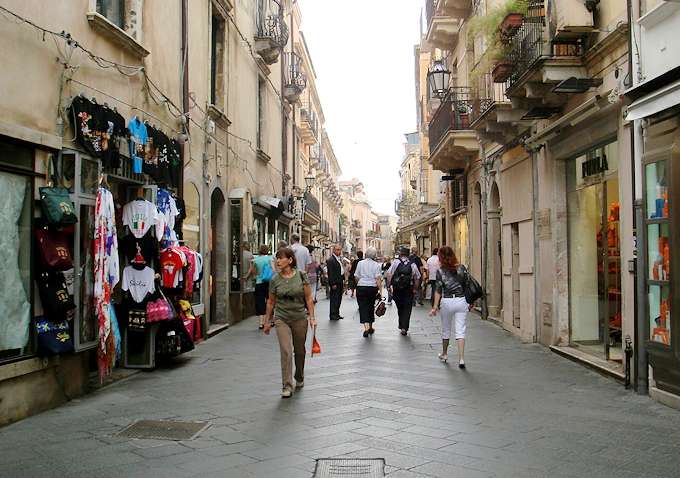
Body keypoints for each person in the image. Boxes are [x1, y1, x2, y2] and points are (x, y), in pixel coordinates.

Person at [263, 247, 317, 398]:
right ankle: (287, 386)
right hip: (281, 318)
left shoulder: (301, 276)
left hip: (300, 317)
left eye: (281, 258)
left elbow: (308, 298)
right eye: (277, 258)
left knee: (299, 351)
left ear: (290, 260)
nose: (278, 261)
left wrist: (312, 318)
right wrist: (267, 321)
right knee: (286, 351)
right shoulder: (274, 280)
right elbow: (270, 302)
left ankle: (299, 376)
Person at [429, 246, 472, 368]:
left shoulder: (440, 271)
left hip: (447, 301)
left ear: (441, 257)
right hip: (461, 300)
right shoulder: (461, 268)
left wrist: (434, 307)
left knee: (446, 329)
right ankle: (462, 359)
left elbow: (437, 290)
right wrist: (470, 301)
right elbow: (467, 284)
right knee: (461, 330)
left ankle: (445, 354)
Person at [387, 247, 421, 335]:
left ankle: (401, 324)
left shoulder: (395, 262)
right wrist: (415, 289)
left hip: (397, 289)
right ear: (408, 254)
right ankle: (404, 327)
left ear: (401, 254)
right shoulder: (412, 264)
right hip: (408, 289)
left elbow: (389, 274)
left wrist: (389, 286)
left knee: (400, 307)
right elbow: (417, 277)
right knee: (407, 308)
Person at [354, 247, 383, 337]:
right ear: (374, 255)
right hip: (372, 288)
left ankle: (366, 327)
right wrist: (380, 291)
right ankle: (370, 327)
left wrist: (358, 284)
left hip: (361, 287)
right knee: (371, 307)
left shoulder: (360, 263)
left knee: (363, 307)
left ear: (366, 254)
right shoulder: (376, 265)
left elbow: (356, 276)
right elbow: (378, 279)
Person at [252, 244, 274, 329]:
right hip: (269, 283)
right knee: (270, 301)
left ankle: (261, 323)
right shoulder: (270, 258)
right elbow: (273, 269)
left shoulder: (255, 260)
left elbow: (254, 272)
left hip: (259, 282)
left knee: (260, 301)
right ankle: (270, 321)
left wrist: (258, 275)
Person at [326, 244, 345, 320]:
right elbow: (331, 273)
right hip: (335, 282)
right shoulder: (331, 260)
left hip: (340, 281)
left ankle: (337, 313)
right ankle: (333, 314)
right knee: (334, 299)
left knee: (339, 298)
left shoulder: (338, 259)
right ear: (333, 250)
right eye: (337, 250)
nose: (339, 251)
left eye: (340, 250)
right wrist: (333, 283)